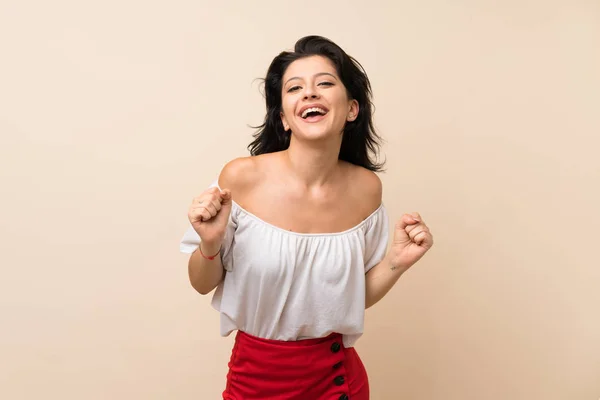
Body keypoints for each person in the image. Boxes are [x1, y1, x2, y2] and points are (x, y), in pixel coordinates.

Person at [179, 35, 434, 400]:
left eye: (325, 83)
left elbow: (345, 301)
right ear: (283, 117)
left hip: (337, 382)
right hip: (256, 379)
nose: (310, 93)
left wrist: (397, 261)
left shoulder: (366, 189)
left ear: (351, 109)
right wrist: (210, 244)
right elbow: (202, 283)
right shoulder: (240, 178)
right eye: (295, 88)